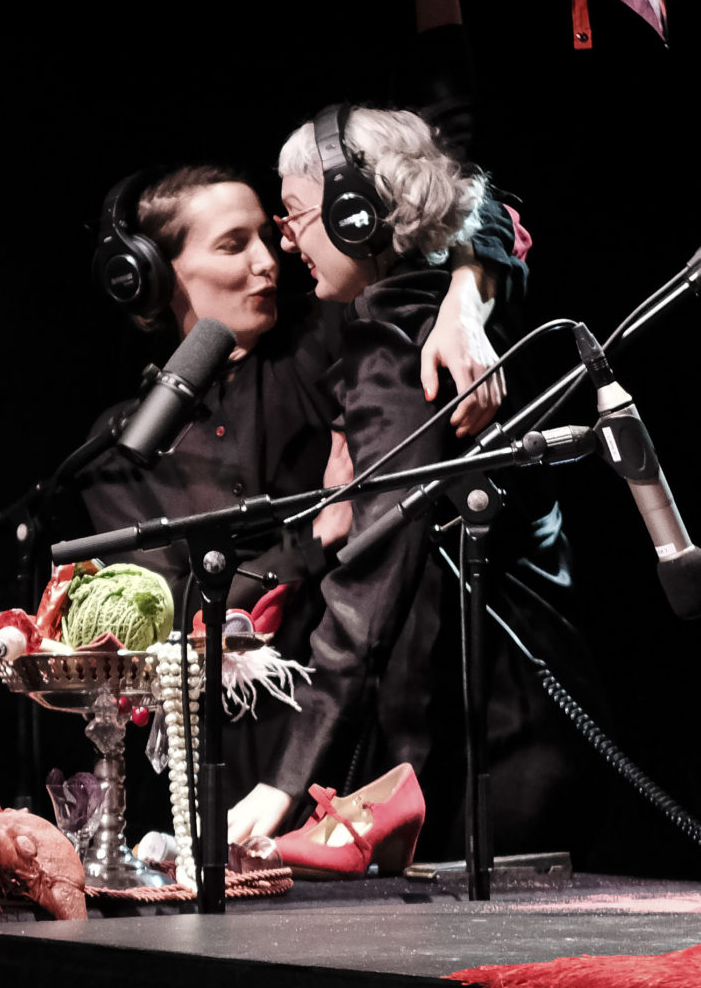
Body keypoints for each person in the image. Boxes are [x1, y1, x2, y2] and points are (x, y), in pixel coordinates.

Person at [66, 157, 529, 824]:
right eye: (233, 245)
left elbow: (476, 204)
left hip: (363, 737)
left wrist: (463, 303)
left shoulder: (327, 343)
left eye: (266, 236)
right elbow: (170, 614)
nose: (267, 262)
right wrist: (313, 538)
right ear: (155, 275)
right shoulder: (119, 446)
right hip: (229, 763)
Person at [225, 105, 604, 862]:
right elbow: (487, 205)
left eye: (296, 214)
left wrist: (281, 784)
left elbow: (370, 587)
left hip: (487, 744)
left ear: (357, 212)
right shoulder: (450, 308)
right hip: (524, 725)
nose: (288, 241)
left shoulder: (399, 343)